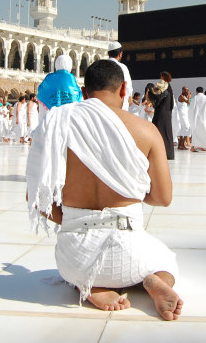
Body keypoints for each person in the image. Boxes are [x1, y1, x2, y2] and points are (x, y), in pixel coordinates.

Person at [26, 59, 182, 320]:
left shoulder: (56, 123)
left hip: (75, 257)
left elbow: (37, 199)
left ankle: (90, 286)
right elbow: (163, 198)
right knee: (167, 262)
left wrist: (78, 220)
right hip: (132, 252)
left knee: (76, 268)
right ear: (123, 90)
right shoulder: (146, 130)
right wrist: (128, 190)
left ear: (84, 92)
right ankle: (153, 280)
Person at [148, 72, 175, 160]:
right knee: (165, 132)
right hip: (165, 114)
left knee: (159, 131)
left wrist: (151, 92)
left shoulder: (165, 89)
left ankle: (162, 153)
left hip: (161, 114)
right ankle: (166, 153)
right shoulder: (168, 89)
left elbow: (158, 98)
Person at [108, 41, 133, 111]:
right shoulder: (122, 67)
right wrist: (130, 98)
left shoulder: (101, 66)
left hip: (104, 104)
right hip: (120, 104)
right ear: (120, 54)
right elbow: (127, 85)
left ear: (108, 53)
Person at [188, 87, 206, 152]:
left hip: (196, 119)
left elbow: (191, 109)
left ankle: (193, 147)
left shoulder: (195, 98)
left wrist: (191, 119)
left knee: (195, 133)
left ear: (196, 91)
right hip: (204, 119)